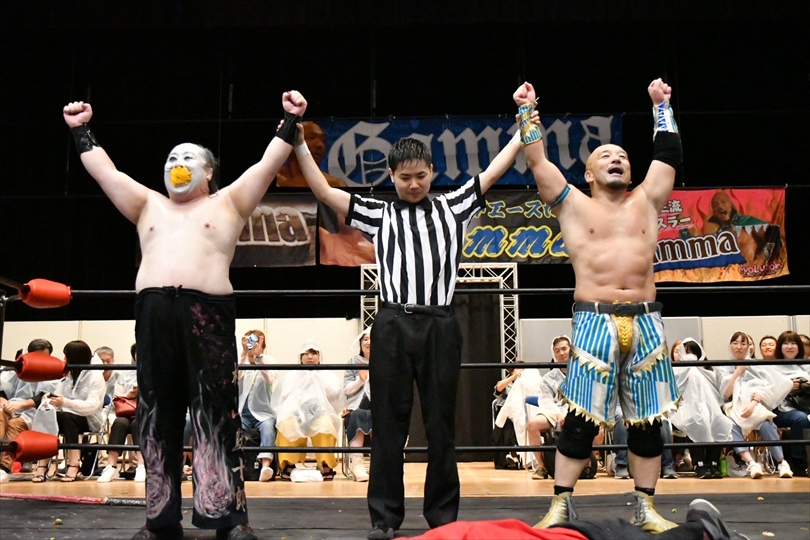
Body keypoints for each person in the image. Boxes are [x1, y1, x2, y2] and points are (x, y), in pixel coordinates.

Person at [62, 89, 307, 540]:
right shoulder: (147, 204)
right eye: (172, 157)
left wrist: (290, 122)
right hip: (154, 314)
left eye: (189, 157)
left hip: (207, 314)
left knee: (216, 416)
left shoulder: (229, 202)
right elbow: (106, 172)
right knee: (156, 416)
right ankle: (161, 519)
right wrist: (81, 130)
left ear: (209, 171)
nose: (178, 163)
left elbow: (265, 165)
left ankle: (227, 518)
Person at [295, 101, 525, 539]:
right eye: (405, 178)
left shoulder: (453, 205)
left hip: (439, 323)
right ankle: (384, 519)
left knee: (441, 425)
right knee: (386, 424)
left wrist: (522, 124)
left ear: (432, 172)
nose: (414, 184)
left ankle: (443, 518)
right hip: (392, 324)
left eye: (421, 176)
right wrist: (300, 143)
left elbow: (494, 170)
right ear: (392, 176)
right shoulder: (378, 213)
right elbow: (324, 192)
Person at [518, 79, 682, 532]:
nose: (617, 159)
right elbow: (537, 161)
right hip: (594, 321)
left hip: (646, 322)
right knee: (579, 420)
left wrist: (661, 107)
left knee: (648, 422)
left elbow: (668, 156)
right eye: (606, 155)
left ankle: (646, 507)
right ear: (589, 174)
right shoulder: (571, 204)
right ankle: (561, 504)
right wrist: (528, 110)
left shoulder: (646, 201)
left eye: (623, 156)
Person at [717, 332, 793, 479]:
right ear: (730, 345)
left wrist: (753, 404)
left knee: (765, 423)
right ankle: (751, 463)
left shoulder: (756, 365)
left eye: (743, 343)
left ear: (749, 347)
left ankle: (782, 463)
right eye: (735, 343)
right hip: (732, 409)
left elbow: (765, 388)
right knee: (729, 425)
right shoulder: (723, 367)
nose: (739, 347)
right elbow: (725, 393)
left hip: (755, 406)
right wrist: (737, 372)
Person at [33, 341, 106, 483]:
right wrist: (50, 398)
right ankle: (42, 463)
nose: (64, 360)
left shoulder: (96, 376)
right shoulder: (69, 375)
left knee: (67, 417)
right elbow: (59, 395)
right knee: (48, 414)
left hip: (89, 419)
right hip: (68, 417)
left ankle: (74, 463)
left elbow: (92, 406)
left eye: (66, 356)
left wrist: (65, 402)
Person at [271, 340, 342, 480]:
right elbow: (283, 396)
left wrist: (317, 377)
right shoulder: (292, 374)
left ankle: (325, 464)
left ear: (319, 357)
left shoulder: (327, 374)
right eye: (306, 354)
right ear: (301, 357)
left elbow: (334, 395)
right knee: (286, 425)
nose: (310, 357)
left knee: (325, 427)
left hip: (321, 413)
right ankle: (288, 464)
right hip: (296, 413)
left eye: (314, 353)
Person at [668, 338, 733, 479]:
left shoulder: (709, 371)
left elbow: (719, 394)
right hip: (684, 408)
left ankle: (714, 462)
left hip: (711, 407)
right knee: (696, 420)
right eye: (686, 352)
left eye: (692, 353)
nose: (689, 356)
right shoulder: (675, 371)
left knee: (718, 421)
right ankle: (699, 464)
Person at [98, 344, 145, 483]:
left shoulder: (158, 372)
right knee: (119, 423)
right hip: (127, 411)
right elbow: (116, 398)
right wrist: (128, 395)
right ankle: (111, 466)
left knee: (138, 423)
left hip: (147, 412)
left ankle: (141, 466)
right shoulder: (125, 375)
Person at [526, 337, 570, 479]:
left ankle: (587, 464)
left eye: (564, 349)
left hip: (577, 412)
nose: (561, 353)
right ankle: (541, 466)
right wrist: (558, 414)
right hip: (555, 413)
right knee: (532, 424)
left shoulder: (583, 374)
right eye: (557, 351)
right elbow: (546, 401)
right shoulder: (548, 378)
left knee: (599, 429)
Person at [237, 330, 277, 482]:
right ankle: (234, 465)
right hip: (243, 412)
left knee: (268, 427)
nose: (253, 345)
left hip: (263, 412)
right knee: (233, 427)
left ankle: (265, 466)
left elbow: (269, 379)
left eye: (256, 342)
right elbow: (235, 376)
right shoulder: (241, 360)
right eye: (250, 341)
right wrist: (243, 352)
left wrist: (259, 358)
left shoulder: (269, 360)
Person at [770, 330, 810, 476]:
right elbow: (768, 394)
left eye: (793, 343)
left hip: (806, 405)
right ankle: (798, 461)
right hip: (781, 409)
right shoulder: (772, 367)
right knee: (800, 418)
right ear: (780, 347)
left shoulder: (806, 366)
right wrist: (787, 388)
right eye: (786, 343)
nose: (790, 347)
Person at [343, 328, 373, 482]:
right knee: (356, 415)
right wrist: (361, 380)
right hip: (357, 407)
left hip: (379, 407)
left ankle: (380, 463)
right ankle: (357, 463)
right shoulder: (353, 362)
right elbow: (347, 390)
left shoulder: (387, 361)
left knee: (384, 417)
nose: (368, 342)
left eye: (372, 338)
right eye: (365, 339)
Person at [0, 365, 35, 483]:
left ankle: (4, 466)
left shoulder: (48, 373)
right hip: (10, 407)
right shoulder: (9, 372)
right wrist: (3, 401)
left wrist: (20, 405)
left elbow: (45, 396)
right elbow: (2, 392)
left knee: (14, 424)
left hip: (33, 412)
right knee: (0, 414)